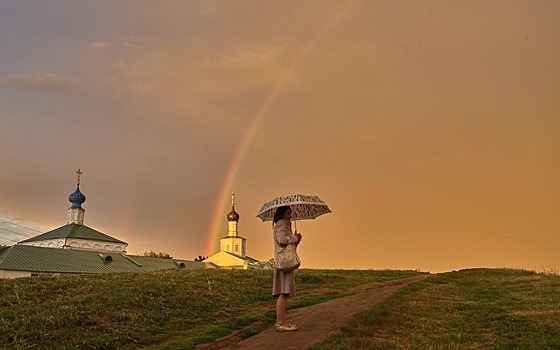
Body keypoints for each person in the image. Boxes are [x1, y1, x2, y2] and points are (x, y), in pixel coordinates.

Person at [272, 205, 302, 332]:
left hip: (284, 262)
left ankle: (282, 321)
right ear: (282, 213)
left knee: (284, 292)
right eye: (288, 213)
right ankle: (281, 323)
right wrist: (294, 238)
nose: (290, 215)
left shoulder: (284, 224)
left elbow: (286, 244)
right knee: (283, 292)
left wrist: (297, 240)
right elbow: (281, 240)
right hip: (285, 263)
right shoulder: (281, 223)